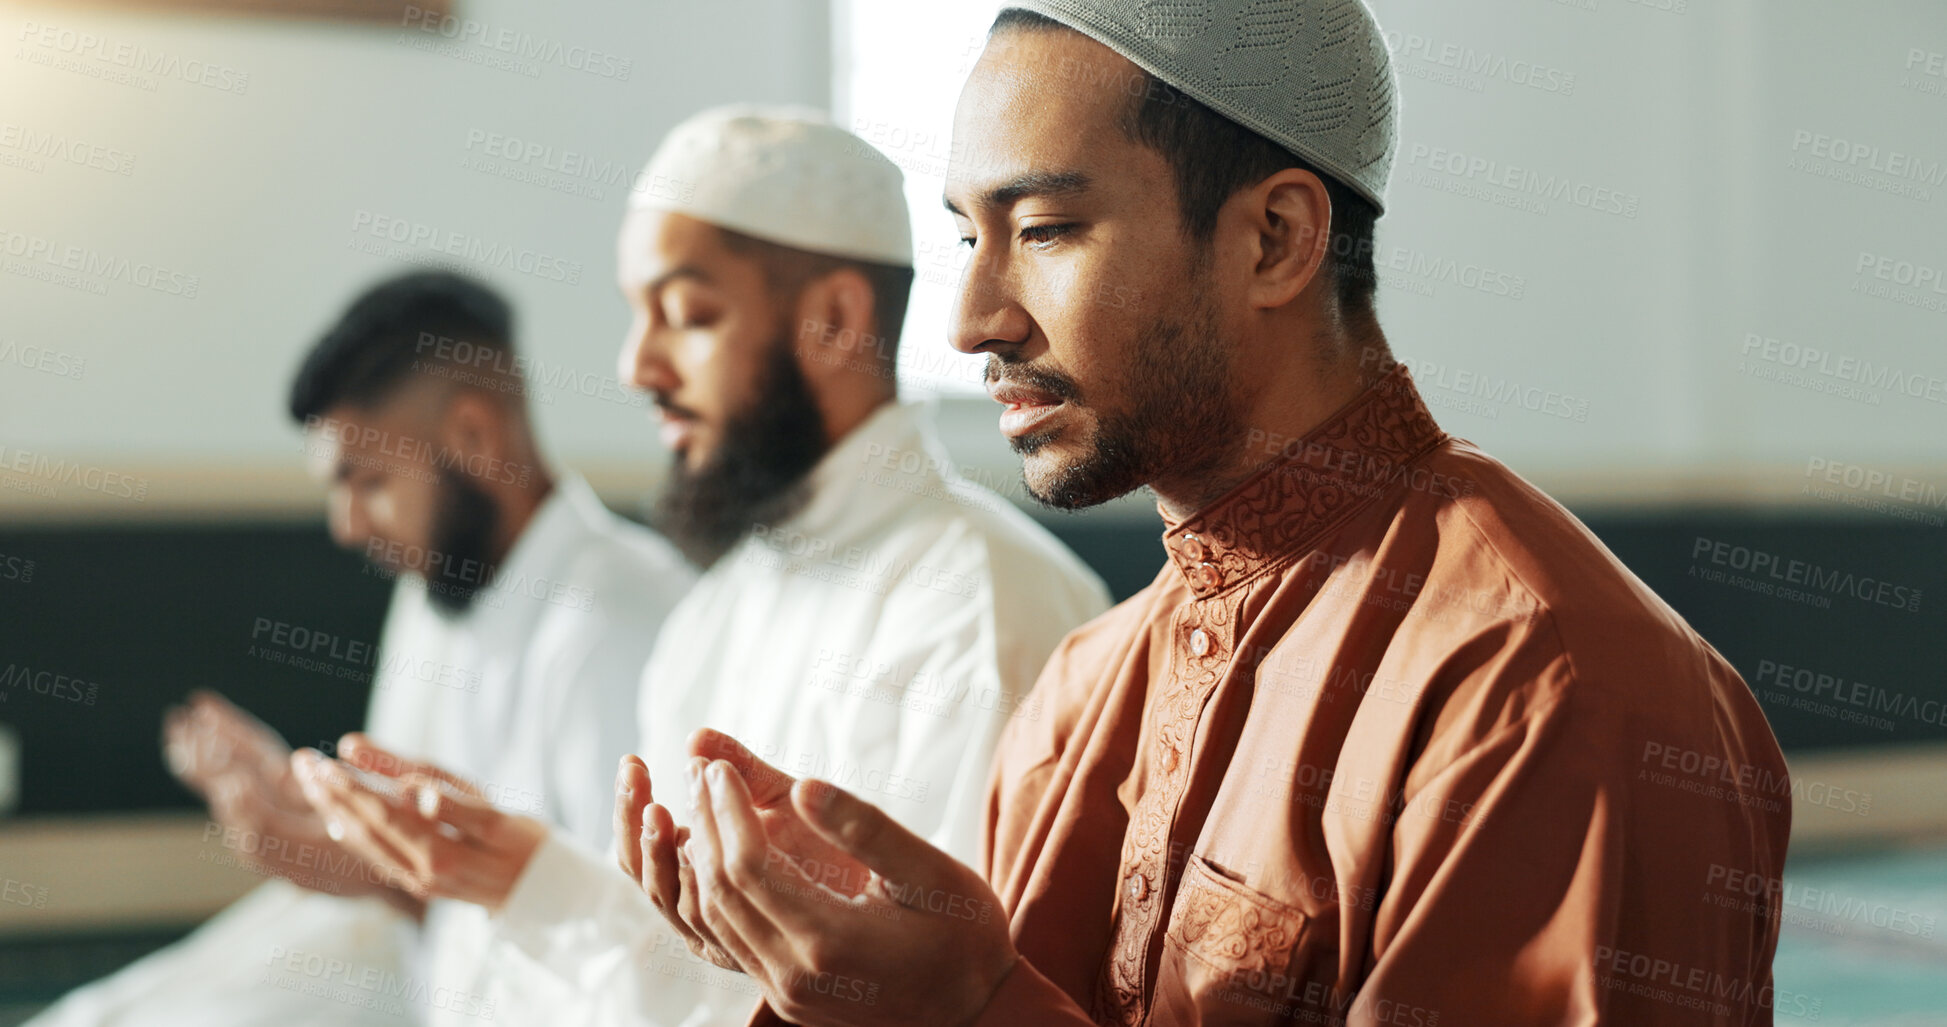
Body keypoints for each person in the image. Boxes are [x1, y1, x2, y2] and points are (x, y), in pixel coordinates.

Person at [618, 5, 1794, 1025]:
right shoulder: (1087, 690)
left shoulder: (1544, 683)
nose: (973, 319)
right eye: (968, 237)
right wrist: (835, 977)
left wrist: (967, 1005)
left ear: (1275, 239)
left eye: (1043, 231)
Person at [299, 106, 1112, 1027]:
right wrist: (522, 874)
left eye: (686, 314)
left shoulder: (976, 606)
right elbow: (705, 987)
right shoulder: (717, 611)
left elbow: (926, 1001)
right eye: (636, 315)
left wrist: (539, 886)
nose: (636, 364)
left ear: (836, 319)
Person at [29, 272, 693, 1027]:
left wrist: (375, 871)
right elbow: (417, 862)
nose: (345, 526)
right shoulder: (441, 585)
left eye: (369, 480)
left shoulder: (613, 622)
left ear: (474, 436)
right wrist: (309, 811)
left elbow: (630, 956)